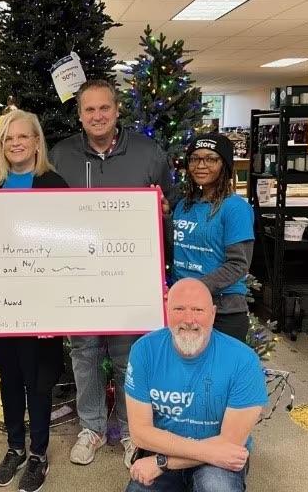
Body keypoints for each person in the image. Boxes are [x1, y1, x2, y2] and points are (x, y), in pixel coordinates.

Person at [49, 79, 173, 467]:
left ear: (117, 110)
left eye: (104, 108)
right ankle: (92, 427)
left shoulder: (148, 153)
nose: (97, 116)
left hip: (128, 279)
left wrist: (164, 209)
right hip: (78, 275)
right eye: (89, 110)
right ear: (80, 114)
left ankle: (131, 431)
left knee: (127, 357)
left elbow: (168, 206)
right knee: (84, 353)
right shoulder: (60, 155)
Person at [0, 110, 67, 492]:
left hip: (42, 299)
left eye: (23, 137)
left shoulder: (53, 184)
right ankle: (15, 447)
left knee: (39, 381)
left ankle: (39, 454)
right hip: (0, 299)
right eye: (8, 138)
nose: (15, 143)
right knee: (9, 377)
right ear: (1, 145)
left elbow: (67, 241)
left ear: (36, 141)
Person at [124, 278, 267, 492]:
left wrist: (162, 462)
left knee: (217, 488)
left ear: (213, 313)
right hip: (185, 451)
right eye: (179, 309)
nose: (189, 319)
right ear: (167, 310)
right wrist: (205, 452)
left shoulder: (243, 360)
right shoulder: (144, 351)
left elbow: (230, 444)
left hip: (211, 461)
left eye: (198, 310)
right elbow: (140, 433)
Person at [171, 133, 254, 342]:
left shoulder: (235, 208)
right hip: (184, 310)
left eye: (210, 159)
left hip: (223, 312)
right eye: (195, 158)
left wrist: (194, 289)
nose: (201, 165)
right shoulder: (184, 205)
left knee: (218, 375)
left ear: (224, 165)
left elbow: (237, 265)